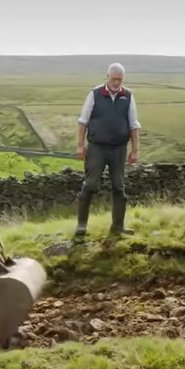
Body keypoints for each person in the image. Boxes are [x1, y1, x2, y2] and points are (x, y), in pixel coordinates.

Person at [74, 62, 141, 239]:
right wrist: (80, 145)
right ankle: (81, 225)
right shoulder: (95, 94)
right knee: (90, 184)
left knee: (119, 187)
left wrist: (135, 150)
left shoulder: (128, 96)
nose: (116, 83)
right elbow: (83, 122)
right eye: (113, 79)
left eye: (119, 80)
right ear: (107, 77)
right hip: (97, 147)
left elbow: (133, 125)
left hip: (119, 148)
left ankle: (118, 226)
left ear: (123, 79)